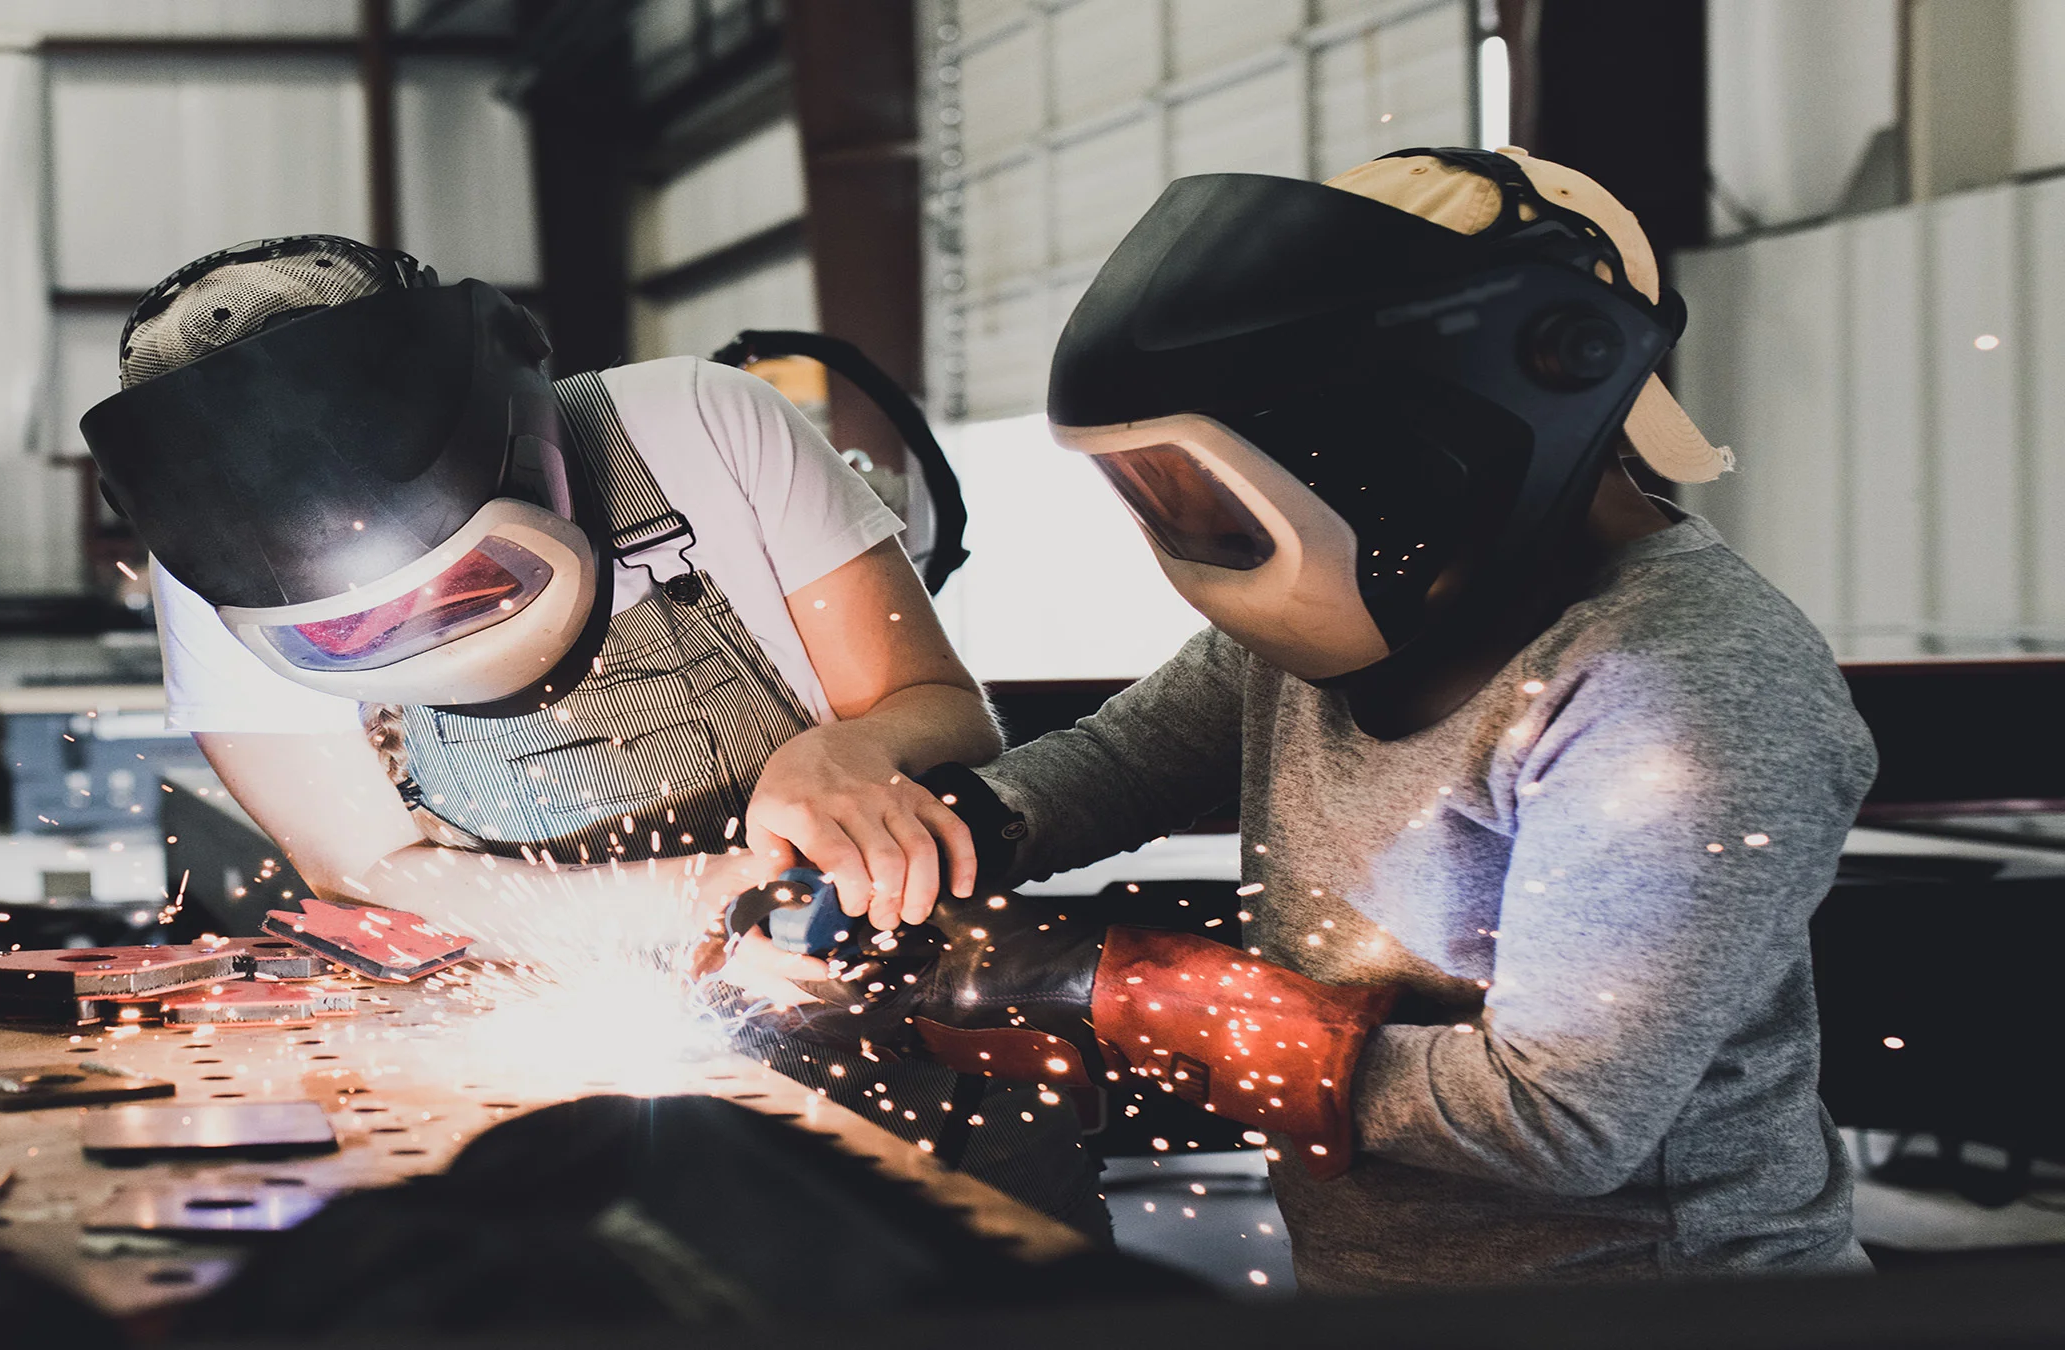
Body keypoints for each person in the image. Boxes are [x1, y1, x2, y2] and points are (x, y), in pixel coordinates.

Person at [734, 148, 1879, 1289]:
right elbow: (1132, 757)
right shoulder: (1370, 602)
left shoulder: (1677, 689)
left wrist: (1111, 989)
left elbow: (1561, 1122)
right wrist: (951, 836)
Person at [78, 236, 1104, 1231]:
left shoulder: (700, 425)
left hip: (908, 1018)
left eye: (465, 582)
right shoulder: (215, 575)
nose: (427, 625)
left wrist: (850, 751)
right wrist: (692, 901)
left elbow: (944, 711)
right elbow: (364, 867)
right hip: (553, 1051)